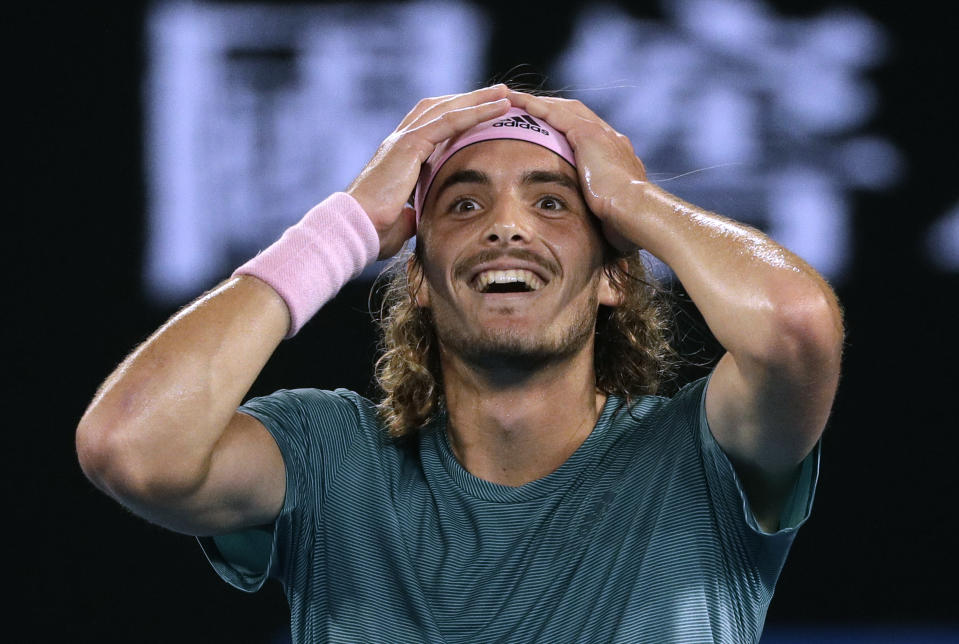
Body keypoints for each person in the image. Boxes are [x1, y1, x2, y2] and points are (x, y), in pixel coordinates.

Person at [76, 85, 843, 643]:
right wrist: (342, 229)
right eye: (464, 206)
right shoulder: (326, 455)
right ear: (417, 277)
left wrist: (631, 198)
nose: (506, 226)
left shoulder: (701, 458)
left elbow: (796, 327)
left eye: (552, 204)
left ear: (614, 275)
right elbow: (131, 447)